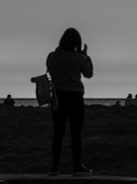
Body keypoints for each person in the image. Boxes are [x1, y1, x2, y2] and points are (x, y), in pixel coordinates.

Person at [45, 27, 94, 176]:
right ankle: (77, 165)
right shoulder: (79, 58)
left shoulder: (53, 56)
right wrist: (86, 57)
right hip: (75, 96)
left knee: (58, 132)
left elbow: (49, 71)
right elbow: (89, 74)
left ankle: (54, 166)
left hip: (58, 96)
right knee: (76, 133)